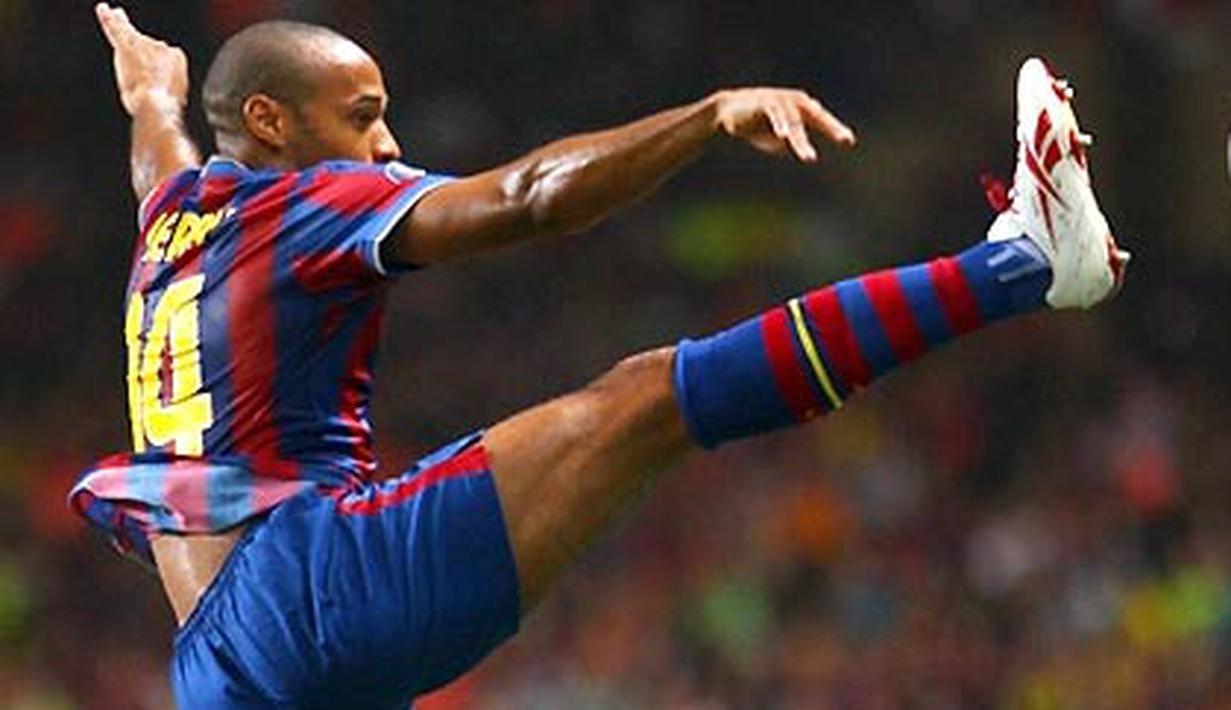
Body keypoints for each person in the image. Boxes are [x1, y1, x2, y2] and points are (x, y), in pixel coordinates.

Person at [73, 4, 1128, 708]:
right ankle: (1028, 265)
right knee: (647, 395)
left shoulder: (174, 214)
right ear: (270, 121)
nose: (386, 145)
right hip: (304, 592)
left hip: (214, 668)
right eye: (363, 117)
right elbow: (529, 199)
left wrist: (151, 96)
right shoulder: (307, 202)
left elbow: (156, 151)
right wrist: (706, 115)